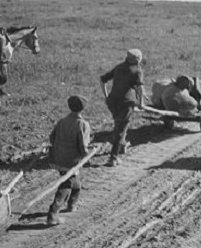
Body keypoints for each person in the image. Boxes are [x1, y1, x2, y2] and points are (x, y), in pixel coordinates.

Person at [47, 95, 92, 226]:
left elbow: (52, 137)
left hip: (59, 157)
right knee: (66, 185)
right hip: (72, 160)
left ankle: (72, 204)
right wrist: (86, 156)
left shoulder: (62, 121)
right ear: (83, 109)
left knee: (75, 184)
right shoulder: (82, 124)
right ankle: (53, 213)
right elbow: (83, 145)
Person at [100, 49, 145, 167]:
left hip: (112, 101)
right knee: (121, 130)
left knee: (118, 124)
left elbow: (102, 79)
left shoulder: (119, 67)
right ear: (138, 60)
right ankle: (113, 158)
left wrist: (106, 96)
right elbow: (140, 88)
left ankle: (121, 145)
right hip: (126, 103)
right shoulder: (138, 70)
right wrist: (141, 103)